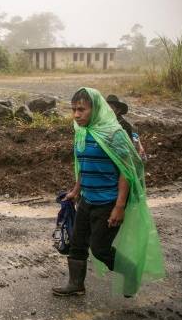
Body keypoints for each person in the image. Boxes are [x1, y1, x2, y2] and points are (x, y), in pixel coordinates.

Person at [52, 88, 164, 297]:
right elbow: (83, 165)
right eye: (73, 110)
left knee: (100, 249)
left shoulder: (114, 134)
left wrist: (119, 207)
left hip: (108, 203)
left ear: (96, 109)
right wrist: (76, 190)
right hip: (87, 200)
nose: (76, 115)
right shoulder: (82, 131)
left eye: (82, 110)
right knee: (77, 244)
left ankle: (130, 271)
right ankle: (76, 284)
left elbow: (126, 172)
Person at [106, 94, 146, 160]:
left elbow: (128, 147)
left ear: (118, 110)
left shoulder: (124, 125)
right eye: (106, 107)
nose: (108, 110)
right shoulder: (102, 122)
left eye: (111, 107)